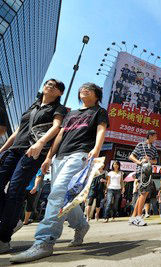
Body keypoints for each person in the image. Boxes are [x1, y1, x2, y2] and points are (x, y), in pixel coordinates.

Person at [11, 83, 109, 263]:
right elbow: (60, 135)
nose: (84, 89)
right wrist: (49, 157)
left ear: (97, 95)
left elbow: (101, 130)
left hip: (81, 154)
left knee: (57, 194)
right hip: (60, 157)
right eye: (82, 88)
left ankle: (44, 242)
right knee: (64, 197)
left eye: (89, 88)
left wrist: (96, 150)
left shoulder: (99, 111)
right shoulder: (70, 114)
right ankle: (81, 226)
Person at [0, 79, 67, 254]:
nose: (49, 85)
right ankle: (11, 217)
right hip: (14, 150)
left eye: (54, 85)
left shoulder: (57, 109)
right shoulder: (33, 107)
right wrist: (2, 149)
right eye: (48, 83)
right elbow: (17, 132)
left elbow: (56, 127)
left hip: (32, 152)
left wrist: (40, 143)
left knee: (15, 190)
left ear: (59, 93)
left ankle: (4, 238)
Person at [129, 130, 159, 227]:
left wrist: (149, 160)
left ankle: (133, 217)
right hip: (141, 171)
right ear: (150, 136)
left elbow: (155, 160)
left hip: (149, 171)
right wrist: (140, 162)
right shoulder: (140, 145)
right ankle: (138, 217)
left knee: (142, 194)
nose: (156, 138)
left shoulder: (154, 148)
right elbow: (131, 156)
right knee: (143, 193)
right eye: (154, 136)